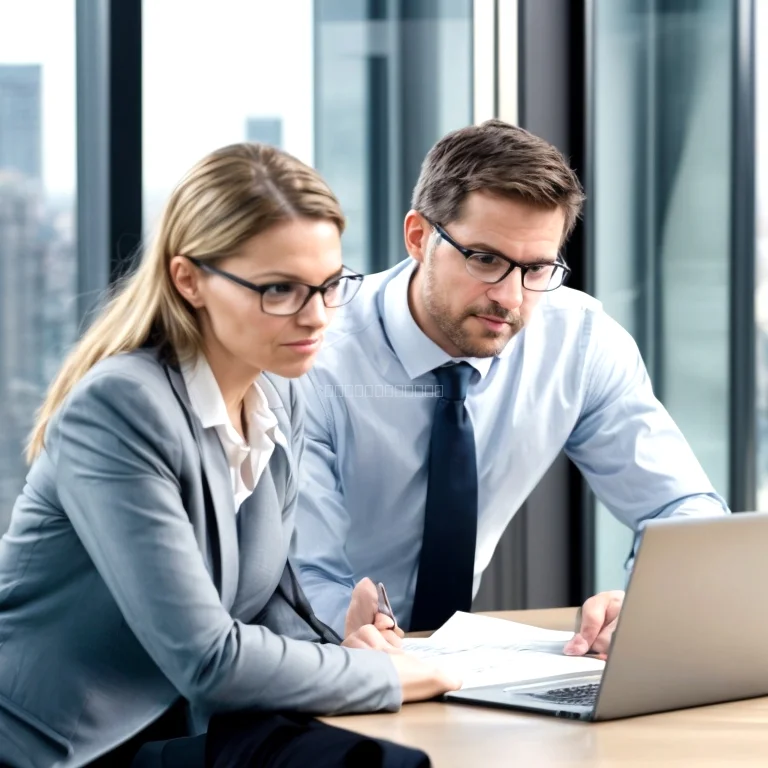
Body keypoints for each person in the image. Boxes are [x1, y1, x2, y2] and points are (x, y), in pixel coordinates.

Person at [0, 143, 458, 768]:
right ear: (189, 280)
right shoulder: (120, 408)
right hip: (66, 748)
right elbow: (208, 659)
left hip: (183, 727)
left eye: (329, 286)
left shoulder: (278, 392)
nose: (317, 316)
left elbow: (266, 600)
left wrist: (351, 649)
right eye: (280, 290)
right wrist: (385, 676)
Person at [294, 119, 729, 646]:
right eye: (485, 259)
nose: (511, 297)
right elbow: (304, 574)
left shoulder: (580, 341)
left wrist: (646, 602)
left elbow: (683, 510)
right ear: (418, 237)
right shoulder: (313, 353)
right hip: (317, 663)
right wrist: (362, 636)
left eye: (537, 268)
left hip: (462, 670)